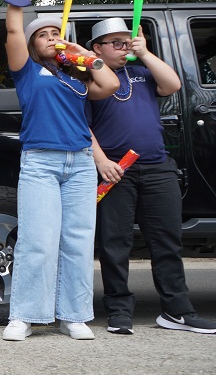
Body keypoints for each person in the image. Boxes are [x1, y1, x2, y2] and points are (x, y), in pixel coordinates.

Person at [0, 0, 119, 341]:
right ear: (34, 47)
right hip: (40, 162)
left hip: (81, 162)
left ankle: (74, 314)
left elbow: (111, 84)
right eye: (43, 36)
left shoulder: (79, 77)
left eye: (56, 34)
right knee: (38, 239)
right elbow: (14, 30)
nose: (51, 38)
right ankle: (24, 315)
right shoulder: (27, 71)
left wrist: (84, 55)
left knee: (78, 240)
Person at [88, 17, 216, 334]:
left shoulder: (142, 72)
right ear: (97, 48)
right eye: (115, 43)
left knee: (167, 241)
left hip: (158, 165)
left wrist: (143, 52)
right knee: (114, 243)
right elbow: (82, 125)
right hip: (117, 169)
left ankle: (177, 310)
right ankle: (118, 310)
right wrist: (101, 160)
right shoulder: (91, 79)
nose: (124, 47)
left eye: (126, 40)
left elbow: (172, 84)